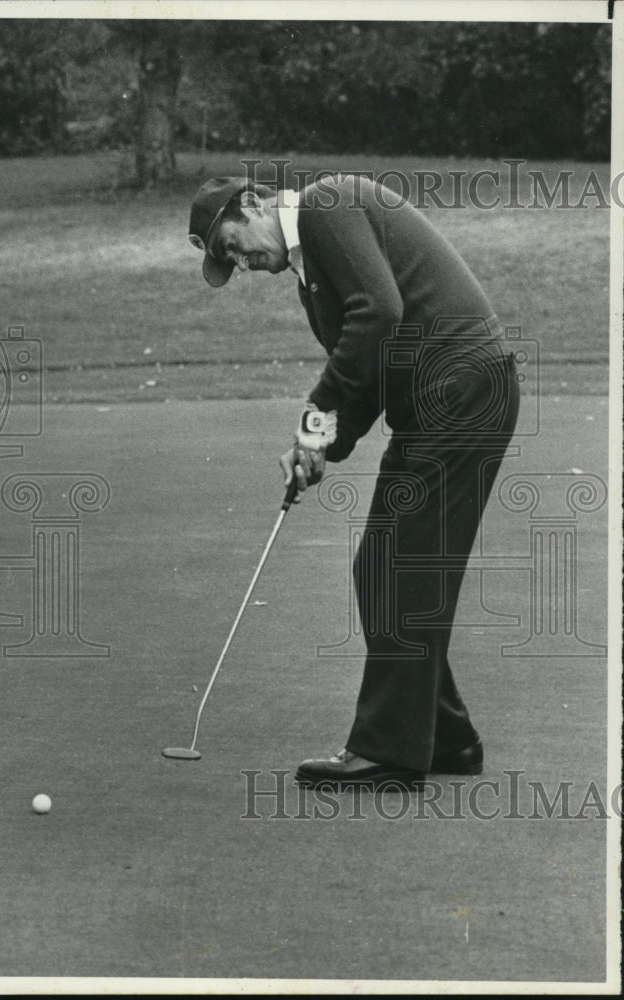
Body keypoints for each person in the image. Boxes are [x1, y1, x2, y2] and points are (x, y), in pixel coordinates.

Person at [188, 172, 520, 789]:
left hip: (462, 388)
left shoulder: (325, 204)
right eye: (227, 261)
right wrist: (320, 447)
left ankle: (390, 751)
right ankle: (446, 739)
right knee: (383, 568)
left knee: (400, 567)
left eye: (232, 243)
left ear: (255, 203)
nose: (242, 263)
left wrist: (314, 422)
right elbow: (365, 369)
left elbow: (380, 314)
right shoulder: (312, 280)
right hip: (434, 404)